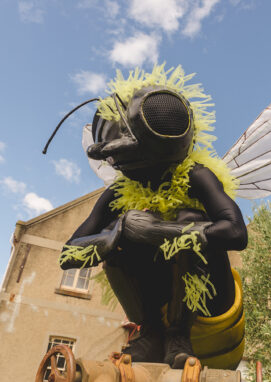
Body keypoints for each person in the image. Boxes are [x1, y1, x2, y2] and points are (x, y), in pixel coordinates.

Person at [58, 65, 247, 369]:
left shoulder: (197, 176)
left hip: (213, 313)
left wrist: (160, 230)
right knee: (118, 234)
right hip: (157, 314)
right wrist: (116, 233)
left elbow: (236, 233)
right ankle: (152, 332)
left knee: (188, 216)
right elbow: (68, 254)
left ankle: (178, 334)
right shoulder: (118, 193)